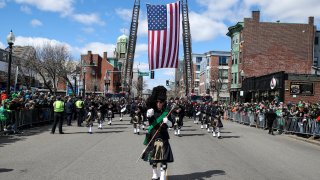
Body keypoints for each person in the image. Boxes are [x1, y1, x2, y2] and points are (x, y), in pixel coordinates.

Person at [142, 86, 173, 180]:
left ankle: (162, 175)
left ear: (164, 102)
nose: (159, 104)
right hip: (154, 136)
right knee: (154, 159)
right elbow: (150, 123)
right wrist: (148, 116)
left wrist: (167, 122)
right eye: (157, 102)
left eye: (161, 102)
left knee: (163, 159)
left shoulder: (167, 112)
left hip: (163, 136)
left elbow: (171, 124)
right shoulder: (152, 111)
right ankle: (155, 174)